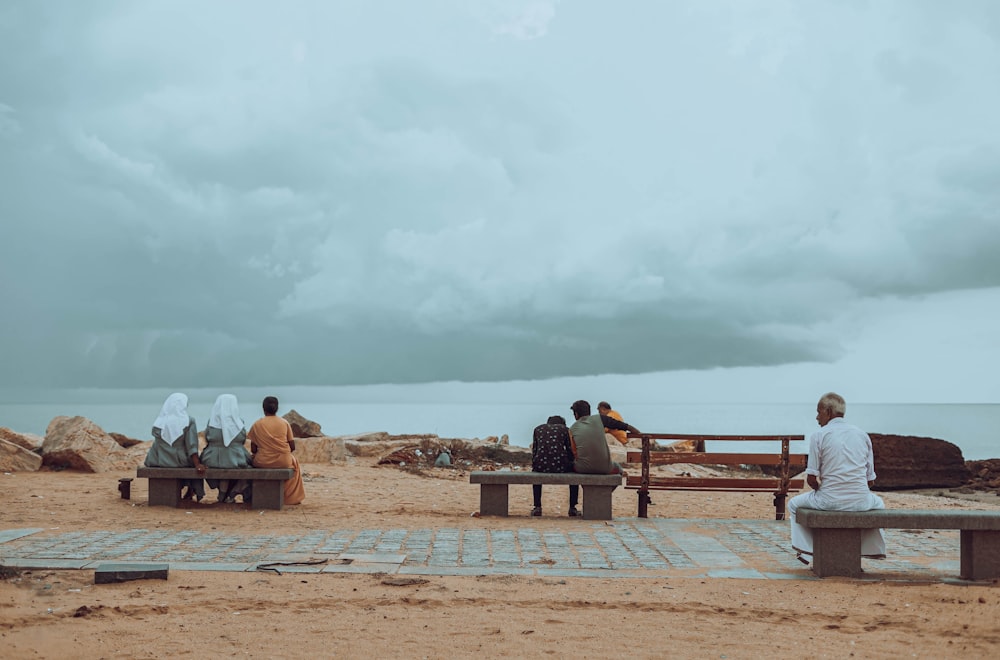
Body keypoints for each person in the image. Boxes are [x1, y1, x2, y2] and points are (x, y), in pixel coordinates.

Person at [788, 392, 886, 564]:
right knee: (879, 504)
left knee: (793, 505)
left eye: (819, 412)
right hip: (861, 501)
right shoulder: (862, 435)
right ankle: (873, 549)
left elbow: (811, 479)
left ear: (828, 411)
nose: (817, 417)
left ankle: (806, 551)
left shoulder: (819, 436)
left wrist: (823, 490)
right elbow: (870, 481)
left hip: (829, 501)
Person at [568, 400, 640, 515]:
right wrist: (636, 431)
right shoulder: (600, 419)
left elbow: (573, 452)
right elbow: (621, 425)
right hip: (605, 468)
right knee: (619, 469)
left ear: (576, 414)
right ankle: (602, 495)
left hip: (582, 468)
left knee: (572, 471)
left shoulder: (572, 429)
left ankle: (573, 507)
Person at [145, 392, 206, 502]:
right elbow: (191, 446)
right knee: (193, 463)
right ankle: (191, 490)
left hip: (157, 459)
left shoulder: (159, 421)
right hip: (178, 460)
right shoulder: (189, 421)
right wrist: (197, 464)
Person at [247, 395, 305, 505]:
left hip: (263, 461)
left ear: (263, 408)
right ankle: (290, 498)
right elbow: (292, 447)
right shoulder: (284, 423)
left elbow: (253, 449)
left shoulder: (257, 424)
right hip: (283, 460)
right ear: (277, 408)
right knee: (294, 463)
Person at [200, 394, 253, 504]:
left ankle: (223, 493)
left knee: (220, 462)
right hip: (236, 458)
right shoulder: (239, 423)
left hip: (212, 459)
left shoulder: (211, 422)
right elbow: (243, 440)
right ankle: (235, 490)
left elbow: (207, 439)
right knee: (249, 465)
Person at [530, 415, 578, 517]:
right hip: (561, 466)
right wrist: (572, 463)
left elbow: (535, 450)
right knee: (575, 474)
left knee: (535, 472)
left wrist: (535, 464)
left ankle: (537, 506)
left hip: (540, 466)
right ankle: (572, 507)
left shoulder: (538, 429)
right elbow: (569, 450)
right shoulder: (565, 429)